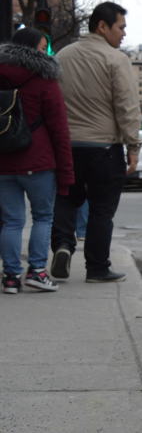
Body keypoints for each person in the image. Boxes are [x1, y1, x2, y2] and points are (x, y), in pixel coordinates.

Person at [49, 2, 140, 283]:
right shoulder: (116, 59)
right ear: (102, 26)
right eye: (120, 27)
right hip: (104, 148)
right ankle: (97, 268)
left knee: (66, 200)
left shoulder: (62, 57)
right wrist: (133, 147)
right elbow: (126, 106)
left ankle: (63, 245)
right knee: (102, 209)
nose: (124, 34)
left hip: (67, 147)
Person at [0, 28, 74, 293]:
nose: (47, 52)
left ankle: (10, 277)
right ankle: (37, 271)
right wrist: (67, 173)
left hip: (3, 163)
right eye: (44, 48)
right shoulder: (44, 80)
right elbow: (59, 130)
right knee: (43, 217)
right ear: (33, 48)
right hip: (39, 162)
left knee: (11, 221)